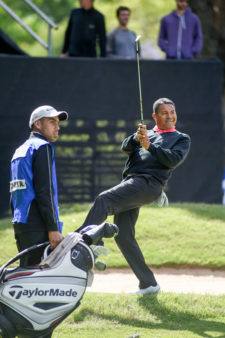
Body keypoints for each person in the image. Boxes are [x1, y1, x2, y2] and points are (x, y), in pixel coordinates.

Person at [76, 98, 191, 295]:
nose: (170, 116)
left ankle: (80, 245)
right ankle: (148, 284)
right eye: (165, 113)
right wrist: (135, 138)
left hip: (148, 183)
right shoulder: (147, 134)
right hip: (132, 183)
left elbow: (172, 160)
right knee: (124, 236)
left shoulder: (181, 138)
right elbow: (125, 148)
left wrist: (150, 146)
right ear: (155, 116)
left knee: (104, 200)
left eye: (172, 112)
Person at [10, 105, 68, 267]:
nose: (57, 127)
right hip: (39, 224)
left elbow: (14, 193)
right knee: (38, 279)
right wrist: (53, 227)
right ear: (37, 124)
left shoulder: (20, 150)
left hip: (21, 223)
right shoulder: (42, 147)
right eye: (52, 121)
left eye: (57, 122)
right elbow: (45, 191)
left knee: (26, 273)